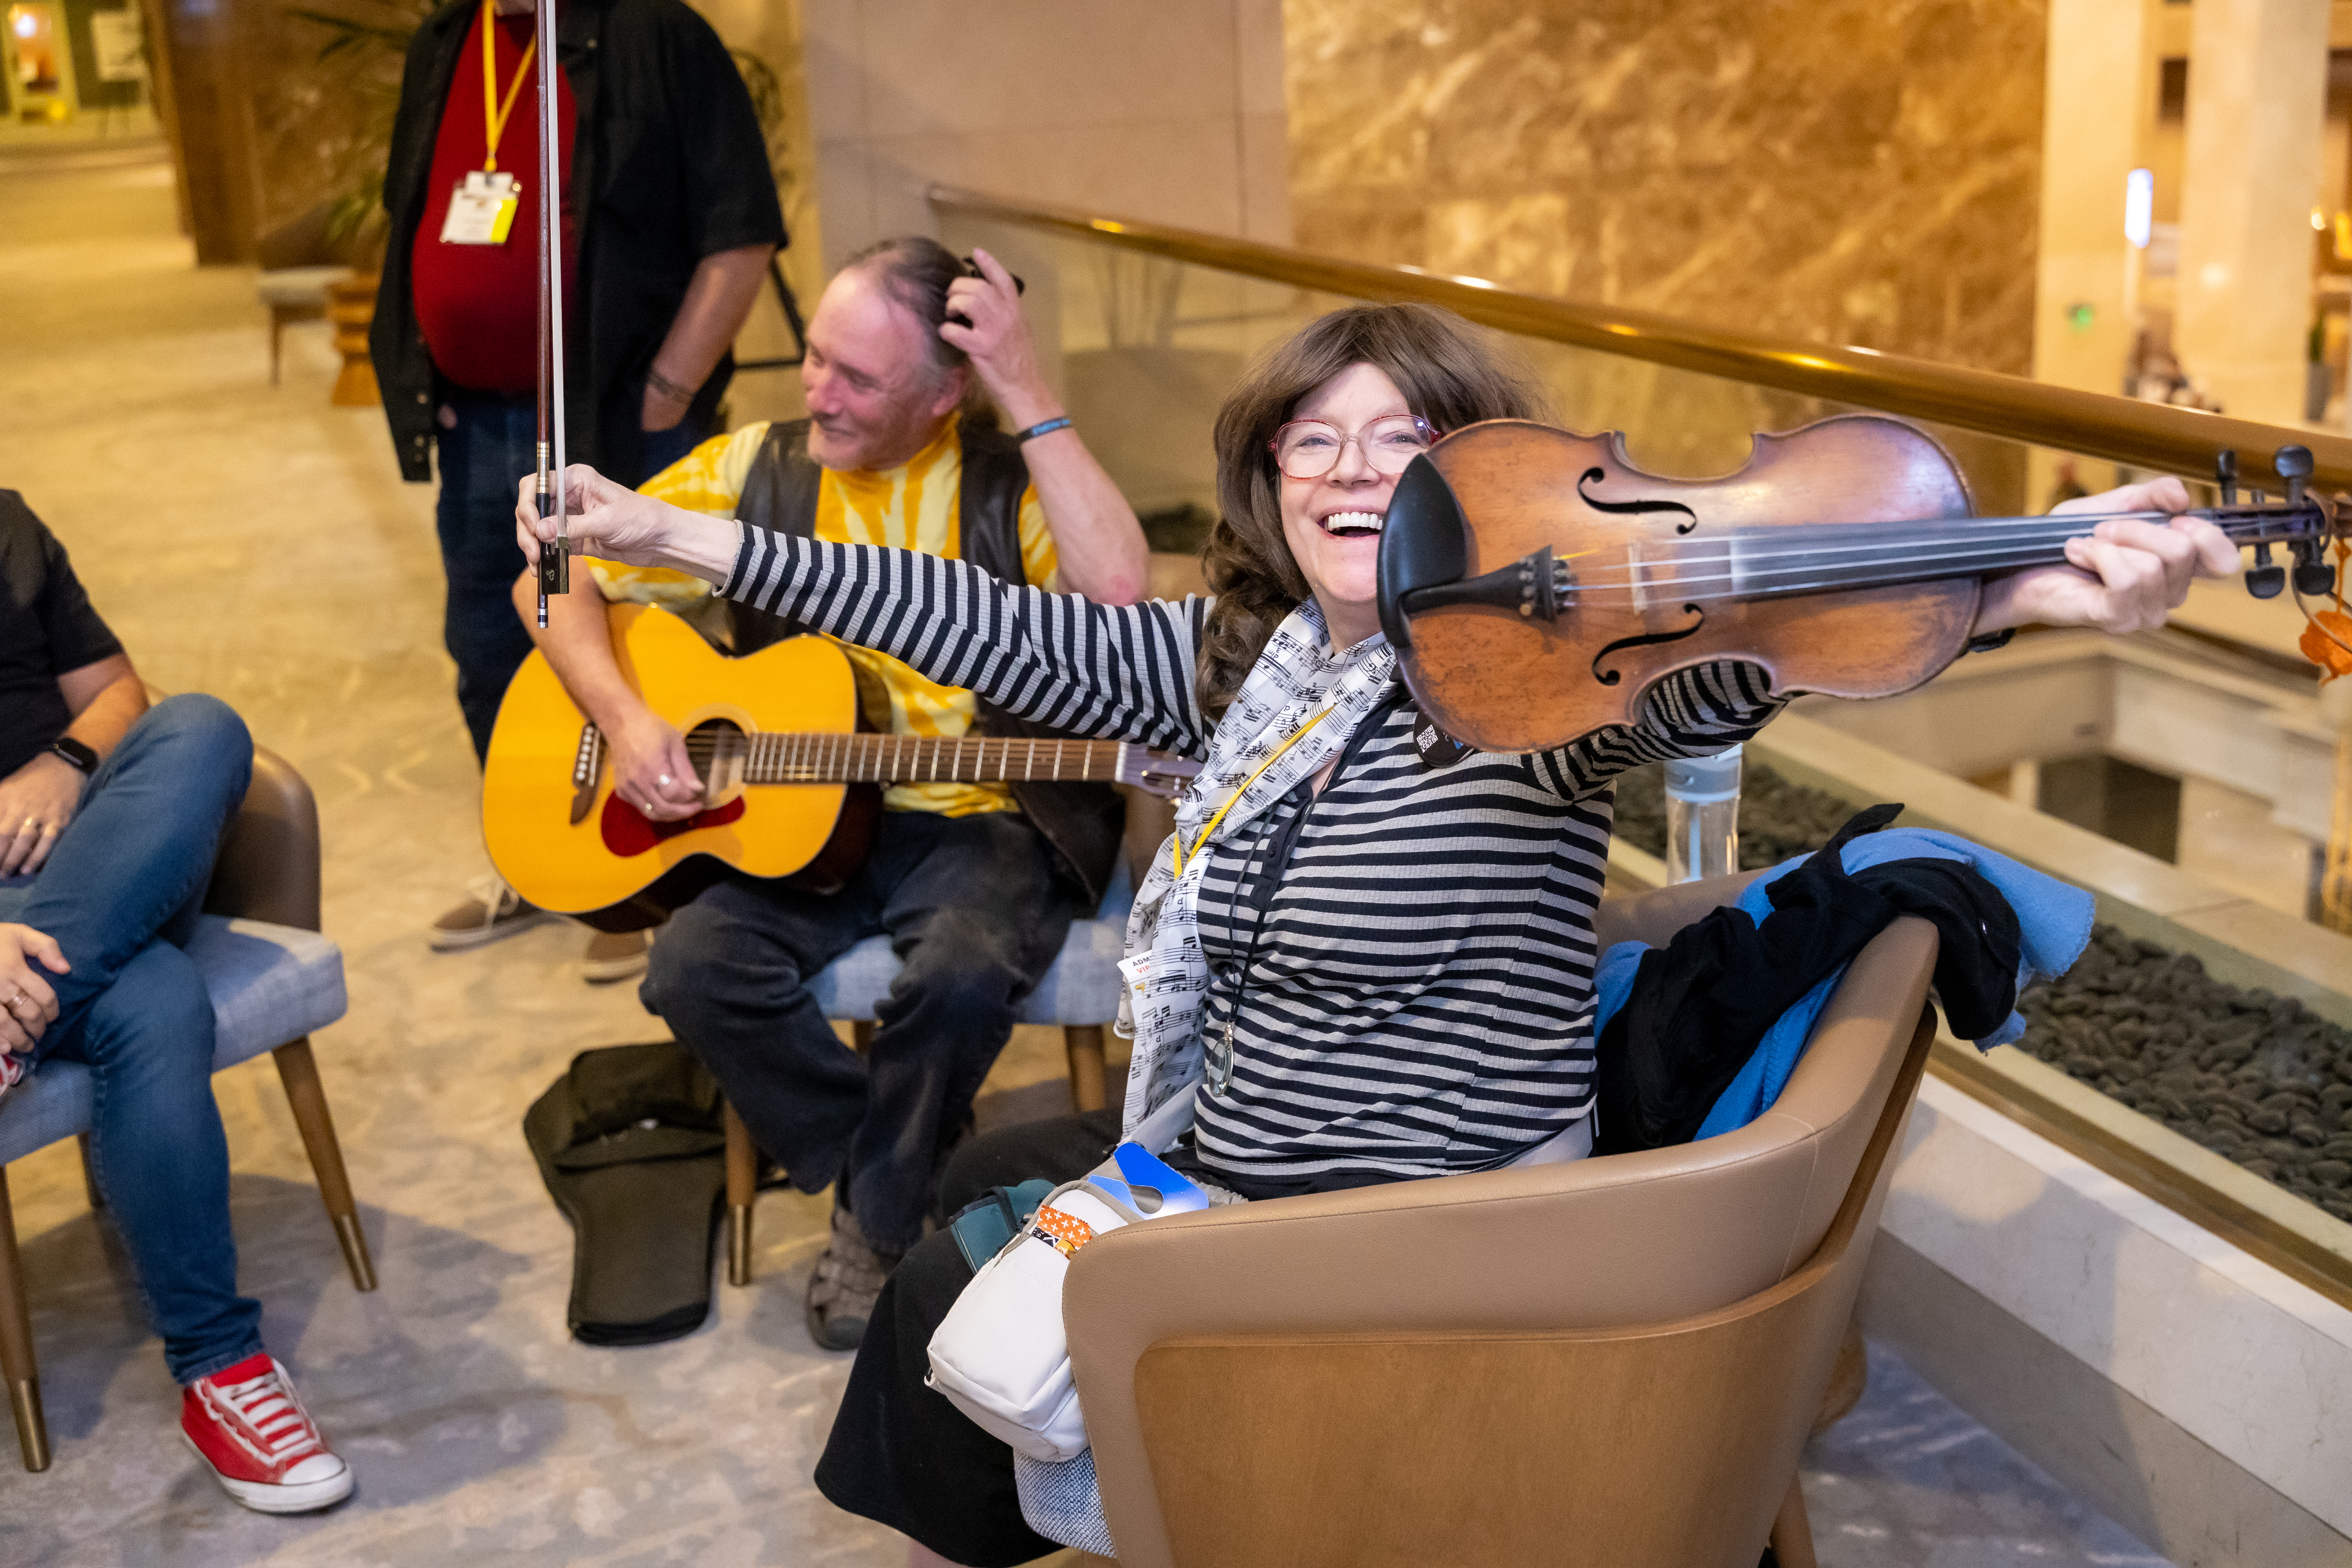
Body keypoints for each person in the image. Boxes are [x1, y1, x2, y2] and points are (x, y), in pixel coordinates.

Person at [519, 301, 2238, 1567]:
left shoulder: (1538, 693)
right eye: (1309, 440)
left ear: (1481, 478)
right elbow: (984, 618)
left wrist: (2022, 584)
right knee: (983, 1198)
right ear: (1270, 477)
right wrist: (665, 530)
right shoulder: (1262, 666)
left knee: (953, 1278)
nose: (1349, 474)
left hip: (1402, 1236)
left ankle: (1224, 1498)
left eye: (1399, 440)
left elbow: (1750, 638)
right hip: (1276, 1162)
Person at [510, 236, 1149, 1348]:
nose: (818, 390)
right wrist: (625, 716)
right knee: (690, 968)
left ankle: (875, 1220)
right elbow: (550, 580)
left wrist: (1029, 388)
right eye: (813, 358)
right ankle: (898, 1186)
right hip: (795, 822)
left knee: (957, 974)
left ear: (947, 391)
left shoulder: (1005, 479)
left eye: (857, 378)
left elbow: (1123, 595)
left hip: (984, 816)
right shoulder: (755, 466)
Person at [370, 0, 788, 964]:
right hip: (476, 419)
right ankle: (535, 856)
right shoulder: (448, 42)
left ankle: (647, 882)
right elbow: (413, 218)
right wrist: (425, 359)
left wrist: (668, 389)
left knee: (647, 645)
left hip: (617, 421)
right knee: (487, 639)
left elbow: (741, 235)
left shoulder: (660, 35)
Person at [0, 493, 353, 1515]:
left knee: (202, 723)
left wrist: (63, 769)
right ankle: (222, 1373)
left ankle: (20, 1016)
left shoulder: (9, 526)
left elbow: (118, 695)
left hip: (110, 854)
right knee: (154, 997)